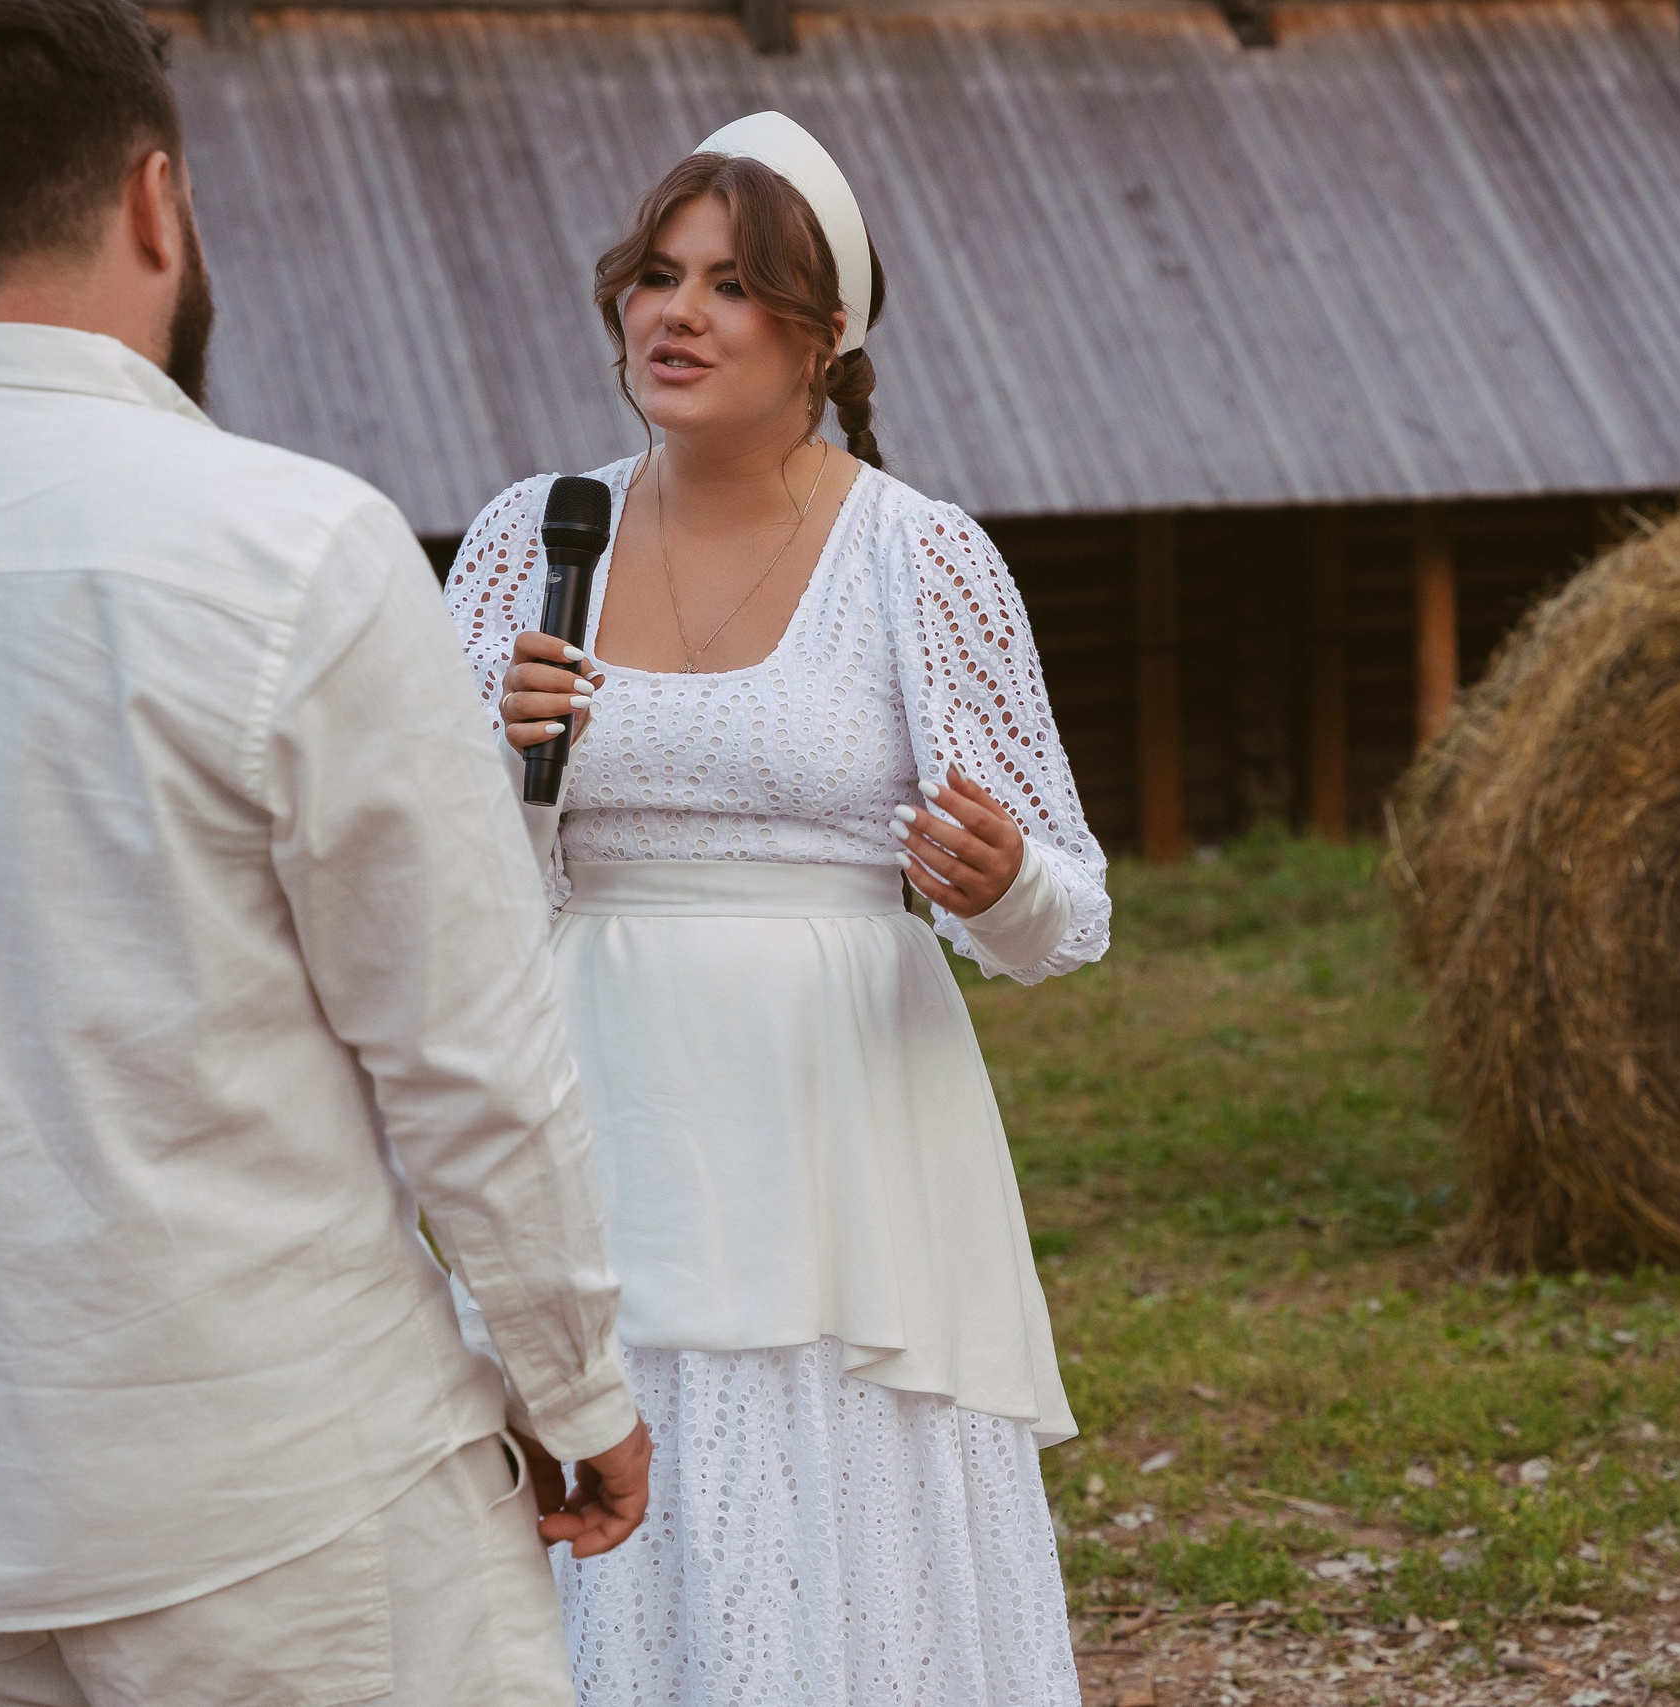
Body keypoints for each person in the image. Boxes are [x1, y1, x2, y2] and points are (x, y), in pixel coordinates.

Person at [0, 0, 653, 1699]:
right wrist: (579, 1389)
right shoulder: (293, 550)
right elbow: (466, 1053)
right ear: (160, 201)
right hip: (287, 1497)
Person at [443, 114, 1108, 1706]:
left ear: (825, 336)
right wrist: (493, 758)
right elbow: (438, 893)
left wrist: (1001, 881)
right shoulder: (531, 538)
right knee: (602, 1470)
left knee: (830, 1499)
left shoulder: (919, 556)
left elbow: (1067, 911)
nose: (679, 314)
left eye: (733, 286)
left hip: (843, 1134)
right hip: (595, 1098)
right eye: (657, 278)